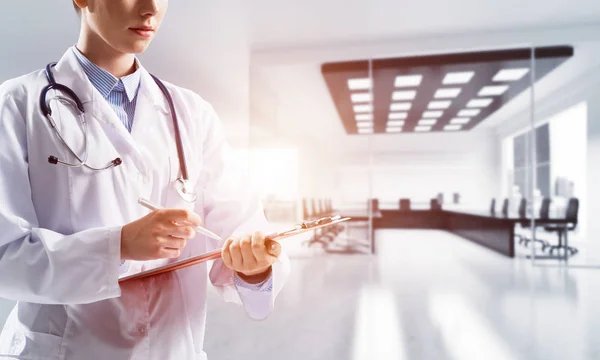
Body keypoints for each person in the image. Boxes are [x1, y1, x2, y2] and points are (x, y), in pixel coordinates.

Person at [0, 1, 289, 359]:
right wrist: (118, 246)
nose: (151, 8)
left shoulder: (193, 115)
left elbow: (240, 232)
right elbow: (5, 255)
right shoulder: (16, 106)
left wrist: (254, 266)